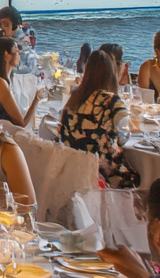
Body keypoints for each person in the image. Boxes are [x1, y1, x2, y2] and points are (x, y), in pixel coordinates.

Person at [60, 50, 139, 188]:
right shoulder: (112, 102)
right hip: (108, 176)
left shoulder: (74, 99)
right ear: (111, 75)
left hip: (76, 174)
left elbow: (63, 133)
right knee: (140, 178)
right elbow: (123, 137)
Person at [0, 35, 41, 127]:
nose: (18, 54)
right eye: (16, 51)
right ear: (6, 54)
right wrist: (36, 99)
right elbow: (21, 123)